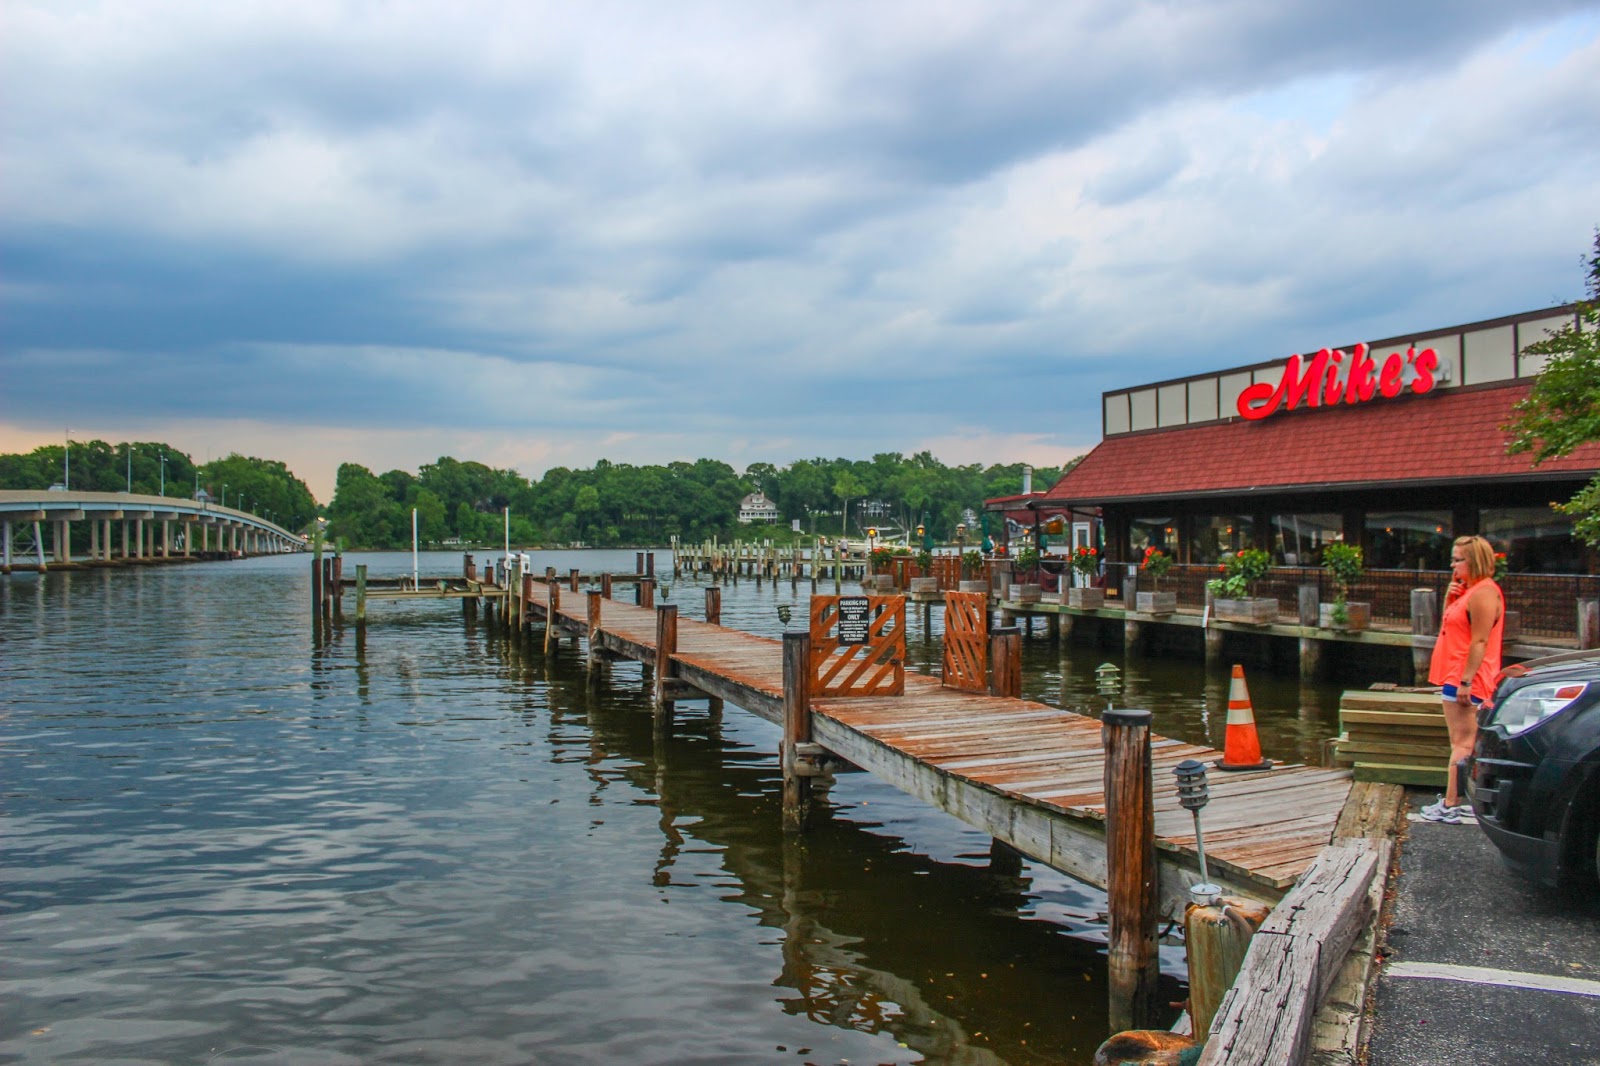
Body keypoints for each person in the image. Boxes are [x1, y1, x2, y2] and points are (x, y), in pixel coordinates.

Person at [1422, 535, 1504, 823]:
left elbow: (1480, 640)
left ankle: (1451, 803)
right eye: (1453, 559)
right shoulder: (1470, 592)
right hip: (1455, 672)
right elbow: (1452, 629)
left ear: (1475, 561)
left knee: (1462, 742)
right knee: (1463, 741)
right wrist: (1450, 599)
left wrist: (1466, 681)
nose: (1453, 565)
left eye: (1459, 560)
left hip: (1465, 676)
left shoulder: (1484, 592)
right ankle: (1458, 799)